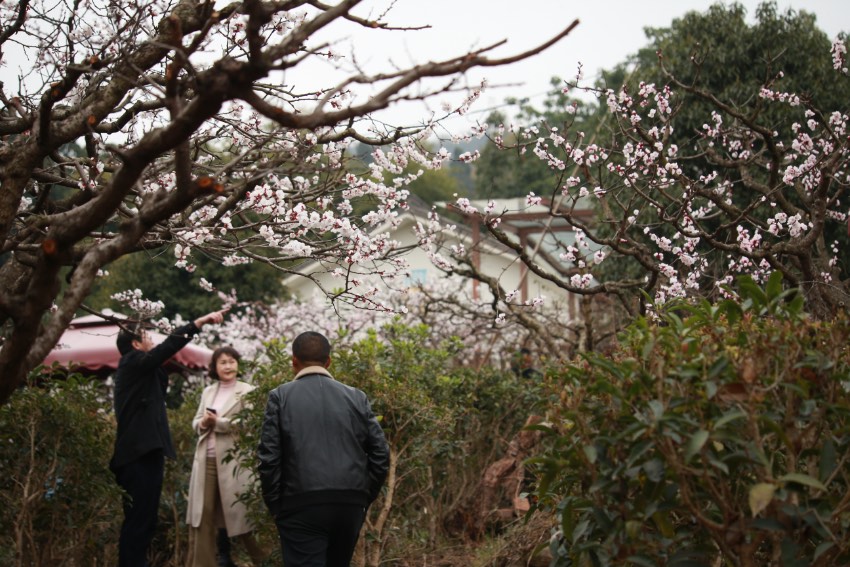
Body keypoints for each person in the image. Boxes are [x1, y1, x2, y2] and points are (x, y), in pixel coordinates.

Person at [257, 331, 390, 567]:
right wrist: (362, 497)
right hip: (349, 504)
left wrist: (276, 506)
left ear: (294, 361)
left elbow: (269, 459)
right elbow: (380, 453)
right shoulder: (356, 397)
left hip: (300, 505)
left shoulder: (280, 397)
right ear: (329, 361)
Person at [110, 309, 228, 567]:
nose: (152, 340)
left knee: (146, 520)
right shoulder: (131, 362)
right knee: (138, 520)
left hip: (147, 452)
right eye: (146, 336)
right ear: (135, 344)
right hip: (136, 455)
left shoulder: (143, 371)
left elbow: (160, 364)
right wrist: (197, 323)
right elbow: (166, 349)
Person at [186, 346, 264, 567]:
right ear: (214, 367)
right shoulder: (208, 391)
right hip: (206, 461)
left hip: (234, 463)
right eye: (222, 362)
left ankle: (266, 562)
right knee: (203, 516)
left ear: (237, 364)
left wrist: (218, 423)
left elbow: (249, 424)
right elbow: (196, 421)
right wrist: (202, 423)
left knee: (244, 518)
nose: (228, 366)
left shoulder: (248, 390)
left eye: (231, 361)